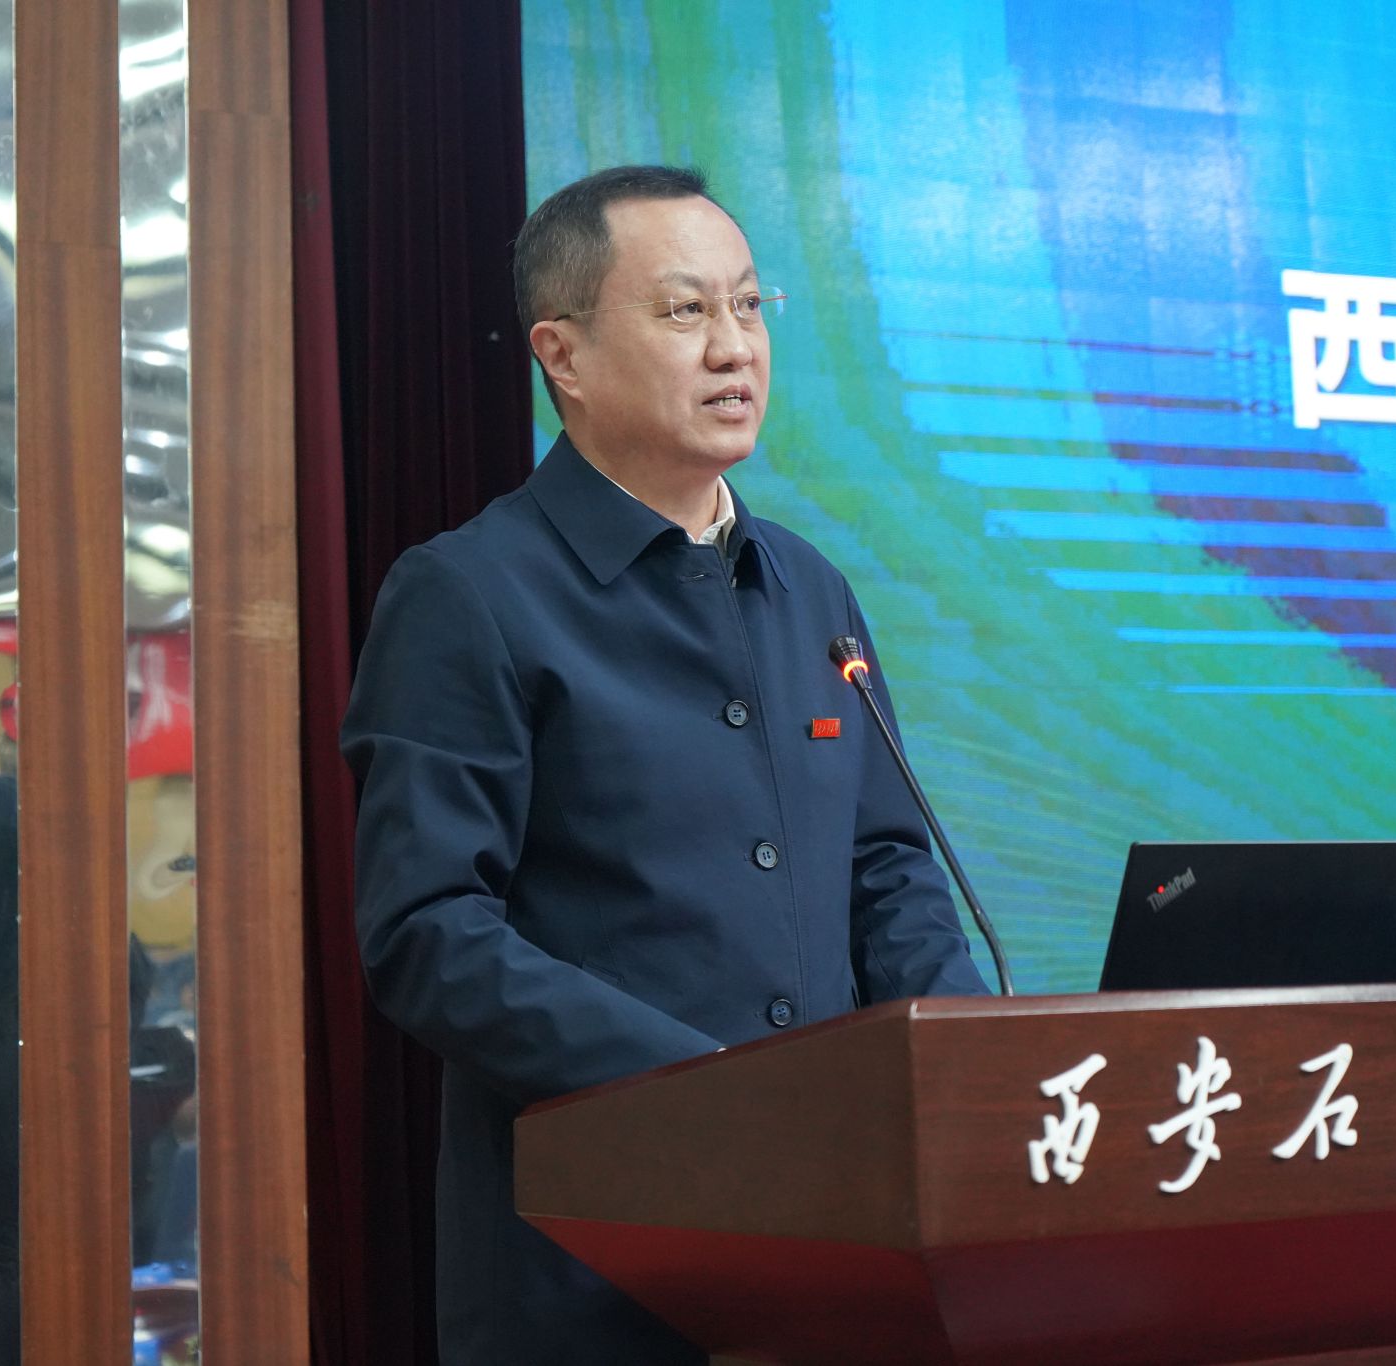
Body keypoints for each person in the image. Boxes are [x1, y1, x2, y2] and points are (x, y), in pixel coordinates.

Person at [341, 164, 989, 1365]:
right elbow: (427, 932)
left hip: (840, 1251)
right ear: (563, 356)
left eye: (747, 305)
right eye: (685, 311)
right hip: (596, 1269)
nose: (732, 347)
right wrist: (703, 1092)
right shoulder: (469, 594)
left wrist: (965, 1073)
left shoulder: (810, 587)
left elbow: (887, 865)